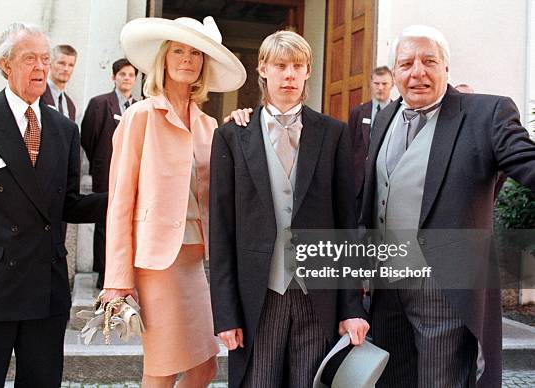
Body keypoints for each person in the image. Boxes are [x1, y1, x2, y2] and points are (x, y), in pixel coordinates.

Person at [360, 25, 535, 387]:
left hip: (443, 287)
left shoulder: (486, 113)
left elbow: (525, 159)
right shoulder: (383, 118)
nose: (417, 72)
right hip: (385, 287)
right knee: (393, 380)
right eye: (406, 63)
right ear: (394, 74)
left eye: (429, 61)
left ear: (446, 68)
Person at [0, 22, 107, 387]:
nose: (42, 68)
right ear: (4, 64)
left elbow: (68, 205)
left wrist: (123, 200)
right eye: (30, 59)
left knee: (43, 382)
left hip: (45, 285)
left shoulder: (64, 129)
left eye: (46, 59)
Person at [209, 30, 370, 388]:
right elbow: (221, 232)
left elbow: (346, 225)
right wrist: (225, 313)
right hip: (258, 295)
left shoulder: (333, 133)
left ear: (308, 71)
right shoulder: (232, 136)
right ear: (262, 68)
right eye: (280, 65)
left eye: (297, 66)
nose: (289, 75)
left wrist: (352, 307)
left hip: (319, 296)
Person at [102, 16, 246, 388]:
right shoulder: (139, 117)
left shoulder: (209, 126)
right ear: (163, 60)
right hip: (156, 264)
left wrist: (243, 129)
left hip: (196, 260)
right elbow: (120, 201)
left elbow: (222, 192)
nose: (187, 59)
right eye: (178, 51)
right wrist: (118, 279)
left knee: (206, 368)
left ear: (203, 64)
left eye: (195, 53)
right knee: (163, 369)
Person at [81, 58, 139, 289]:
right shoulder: (99, 104)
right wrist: (102, 160)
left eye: (131, 75)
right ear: (113, 77)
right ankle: (105, 274)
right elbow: (88, 138)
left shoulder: (139, 107)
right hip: (106, 171)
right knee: (106, 221)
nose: (126, 78)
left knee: (128, 223)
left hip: (132, 173)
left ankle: (125, 275)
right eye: (122, 74)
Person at [348, 66, 394, 213]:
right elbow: (349, 146)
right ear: (371, 84)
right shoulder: (358, 112)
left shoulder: (399, 113)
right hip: (358, 182)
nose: (380, 88)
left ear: (392, 85)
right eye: (377, 83)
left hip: (384, 181)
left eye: (385, 84)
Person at [41, 44, 77, 120]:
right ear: (50, 63)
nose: (66, 69)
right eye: (61, 63)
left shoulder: (70, 106)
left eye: (71, 65)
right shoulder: (38, 94)